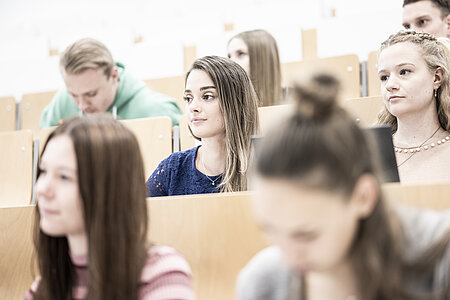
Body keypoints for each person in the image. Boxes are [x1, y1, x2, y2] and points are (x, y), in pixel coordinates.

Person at [236, 72, 450, 300]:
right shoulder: (264, 282)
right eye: (272, 231)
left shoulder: (440, 260)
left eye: (306, 235)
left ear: (363, 197)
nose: (287, 258)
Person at [25, 115, 193, 300]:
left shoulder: (161, 274)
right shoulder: (46, 285)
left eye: (64, 177)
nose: (41, 189)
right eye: (43, 171)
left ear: (108, 188)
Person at [146, 56, 259, 196]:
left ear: (235, 102)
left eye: (207, 96)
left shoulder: (263, 168)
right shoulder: (173, 168)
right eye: (189, 98)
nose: (193, 107)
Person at [40, 38, 182, 128]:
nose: (82, 105)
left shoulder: (156, 111)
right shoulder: (60, 106)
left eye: (91, 94)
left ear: (114, 75)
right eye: (73, 95)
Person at [377, 30, 450, 184]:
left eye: (404, 72)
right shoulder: (368, 153)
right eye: (384, 77)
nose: (390, 85)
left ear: (436, 77)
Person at [227, 29, 283, 107]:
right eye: (229, 56)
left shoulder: (295, 100)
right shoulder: (230, 103)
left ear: (263, 58)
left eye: (240, 54)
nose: (230, 62)